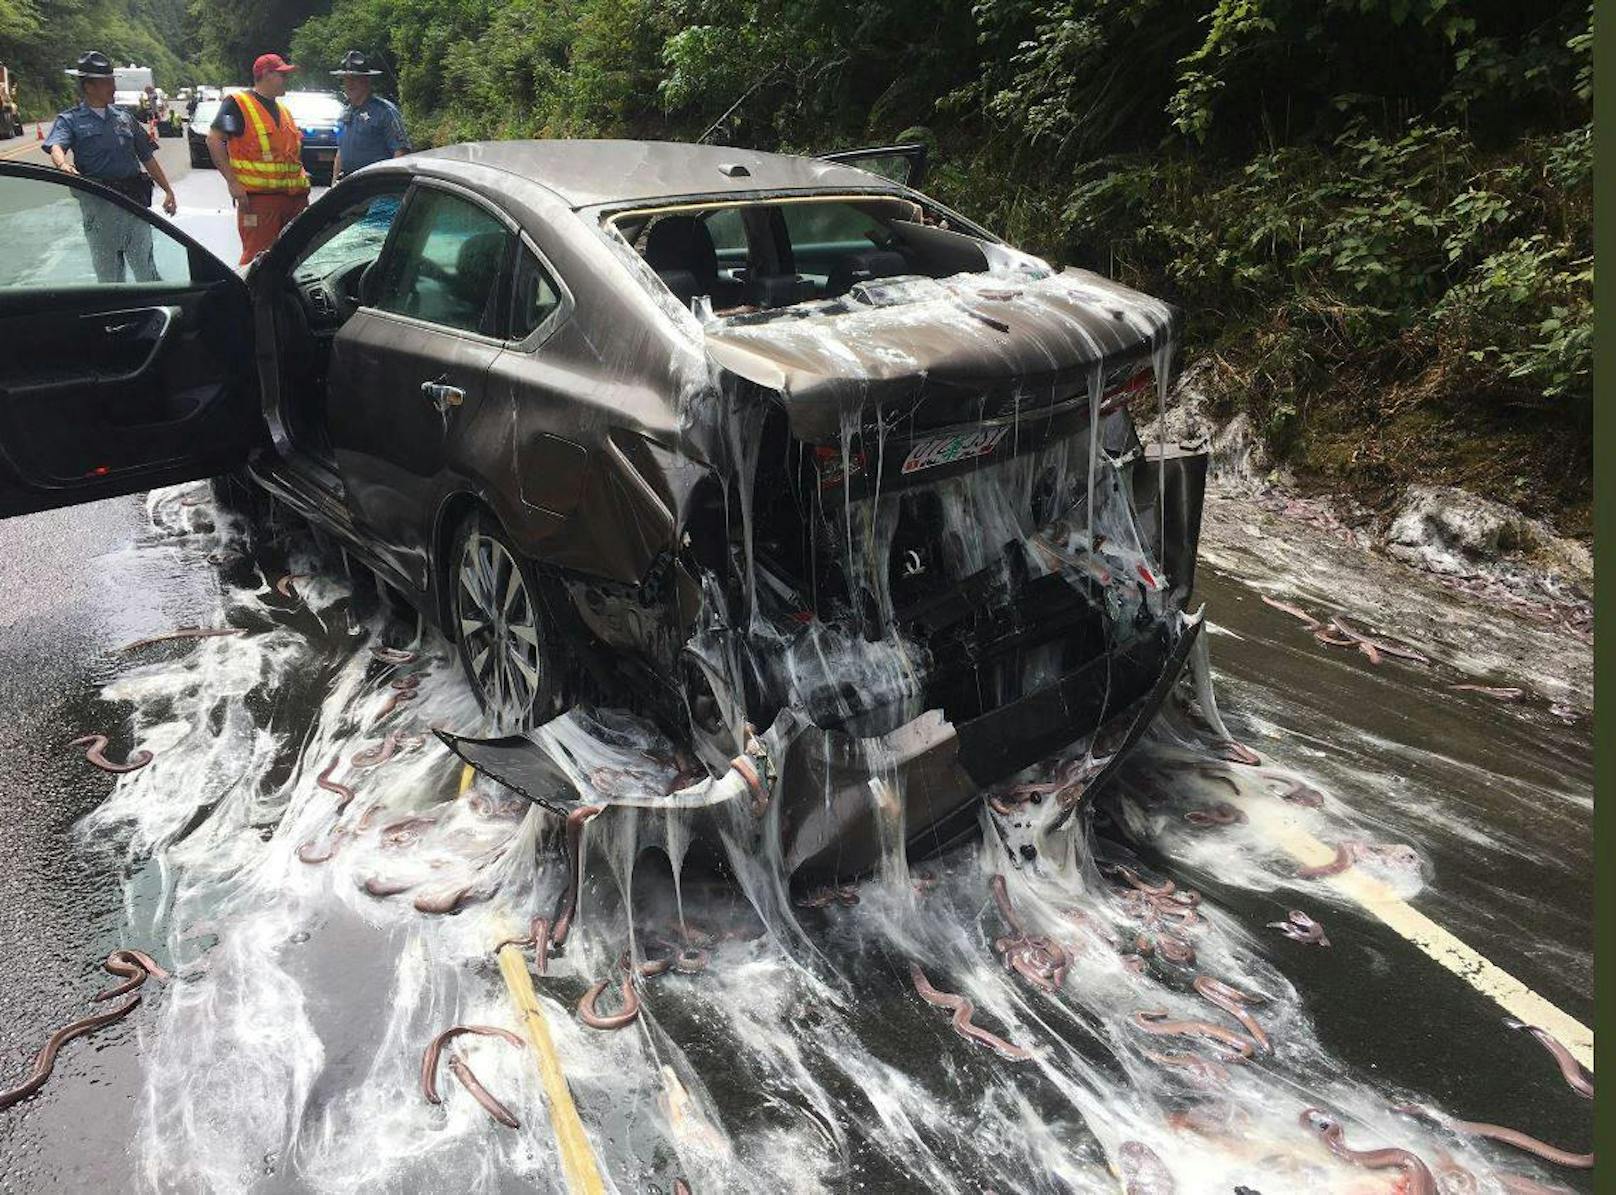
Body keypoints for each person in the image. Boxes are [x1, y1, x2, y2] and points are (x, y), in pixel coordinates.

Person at [43, 51, 179, 283]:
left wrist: (168, 190)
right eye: (107, 82)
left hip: (133, 204)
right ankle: (116, 320)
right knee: (110, 278)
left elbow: (147, 157)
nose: (113, 87)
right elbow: (56, 145)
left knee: (147, 272)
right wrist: (62, 164)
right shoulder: (71, 120)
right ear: (89, 87)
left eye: (113, 80)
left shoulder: (125, 118)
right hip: (100, 208)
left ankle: (153, 313)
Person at [205, 53, 310, 265]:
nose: (286, 79)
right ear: (266, 75)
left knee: (294, 260)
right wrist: (233, 183)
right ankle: (250, 298)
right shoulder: (238, 103)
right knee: (258, 261)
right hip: (258, 202)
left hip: (293, 200)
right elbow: (214, 140)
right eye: (282, 75)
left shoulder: (284, 112)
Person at [329, 50, 410, 181]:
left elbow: (400, 152)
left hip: (376, 188)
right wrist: (334, 184)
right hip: (348, 187)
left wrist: (393, 184)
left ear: (366, 80)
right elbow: (341, 151)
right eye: (346, 79)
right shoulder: (345, 112)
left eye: (354, 79)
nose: (349, 84)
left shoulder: (385, 111)